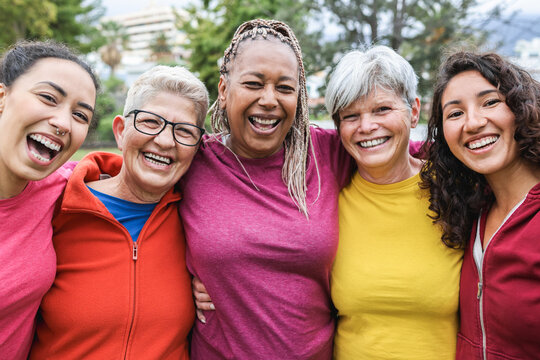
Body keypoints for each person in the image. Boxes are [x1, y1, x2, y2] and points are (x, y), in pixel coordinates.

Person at [179, 19, 351, 359]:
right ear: (224, 90)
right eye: (254, 83)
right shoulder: (193, 160)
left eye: (285, 88)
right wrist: (176, 282)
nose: (269, 99)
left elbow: (413, 156)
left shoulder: (327, 154)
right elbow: (132, 190)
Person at [29, 65, 209, 359]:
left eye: (184, 131)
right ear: (121, 132)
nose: (165, 141)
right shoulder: (54, 206)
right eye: (150, 122)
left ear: (196, 147)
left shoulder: (199, 225)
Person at [325, 46, 463, 359]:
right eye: (351, 116)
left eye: (382, 109)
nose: (366, 126)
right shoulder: (328, 204)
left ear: (414, 111)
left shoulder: (457, 191)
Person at [420, 51, 540, 359]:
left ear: (522, 108)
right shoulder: (473, 209)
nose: (473, 123)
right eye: (455, 114)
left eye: (490, 102)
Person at [0, 40, 98, 359]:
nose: (63, 123)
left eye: (80, 115)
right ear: (2, 98)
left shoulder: (60, 187)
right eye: (48, 98)